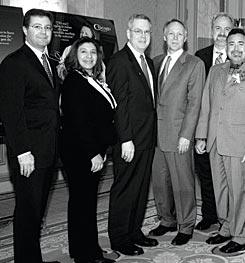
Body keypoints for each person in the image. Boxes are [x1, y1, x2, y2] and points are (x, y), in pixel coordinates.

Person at [195, 28, 245, 253]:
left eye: (240, 44)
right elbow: (206, 104)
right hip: (215, 141)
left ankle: (241, 234)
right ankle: (226, 227)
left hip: (240, 144)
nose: (236, 49)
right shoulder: (215, 71)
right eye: (231, 45)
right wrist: (201, 136)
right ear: (226, 48)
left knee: (240, 191)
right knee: (221, 190)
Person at [0, 9, 60, 263]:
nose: (43, 32)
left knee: (37, 212)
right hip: (29, 155)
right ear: (25, 30)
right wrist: (23, 152)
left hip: (47, 151)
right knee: (27, 212)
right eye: (37, 27)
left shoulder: (51, 63)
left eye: (47, 28)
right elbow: (11, 114)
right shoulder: (14, 63)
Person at [148, 19, 205, 246]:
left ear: (186, 37)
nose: (174, 37)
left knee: (183, 183)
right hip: (155, 136)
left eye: (179, 34)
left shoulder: (194, 64)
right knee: (160, 182)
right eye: (170, 33)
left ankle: (186, 224)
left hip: (179, 134)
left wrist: (186, 135)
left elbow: (195, 103)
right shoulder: (155, 62)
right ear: (163, 36)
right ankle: (167, 220)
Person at [60, 37, 117, 263]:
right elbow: (78, 122)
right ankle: (87, 255)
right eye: (83, 52)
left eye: (93, 52)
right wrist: (93, 152)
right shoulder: (74, 81)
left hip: (91, 149)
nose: (89, 56)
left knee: (84, 202)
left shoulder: (90, 79)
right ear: (75, 55)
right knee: (83, 203)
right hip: (81, 152)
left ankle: (85, 249)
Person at [106, 14, 158, 256]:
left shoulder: (147, 62)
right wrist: (126, 139)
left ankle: (134, 231)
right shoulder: (119, 61)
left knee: (140, 188)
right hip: (129, 141)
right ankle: (119, 238)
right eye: (138, 31)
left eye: (147, 32)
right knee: (125, 190)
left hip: (147, 139)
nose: (143, 36)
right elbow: (119, 105)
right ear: (128, 33)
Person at [193, 13, 233, 231]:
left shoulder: (241, 56)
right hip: (205, 127)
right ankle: (209, 215)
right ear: (212, 30)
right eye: (218, 28)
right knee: (206, 175)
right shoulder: (200, 56)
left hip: (230, 131)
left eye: (227, 29)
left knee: (228, 178)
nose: (221, 33)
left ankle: (228, 219)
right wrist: (199, 133)